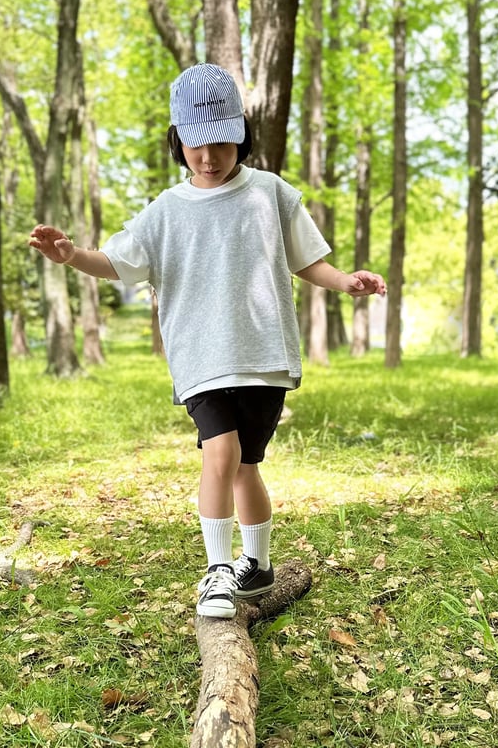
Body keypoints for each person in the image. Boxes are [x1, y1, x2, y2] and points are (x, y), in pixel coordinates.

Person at [29, 63, 387, 619]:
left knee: (246, 465)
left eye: (222, 142)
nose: (210, 157)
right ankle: (219, 572)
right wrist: (72, 256)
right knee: (220, 453)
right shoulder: (167, 211)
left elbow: (307, 260)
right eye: (197, 145)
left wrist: (346, 281)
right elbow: (119, 262)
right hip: (201, 359)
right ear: (178, 141)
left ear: (241, 134)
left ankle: (259, 565)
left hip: (262, 356)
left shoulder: (269, 193)